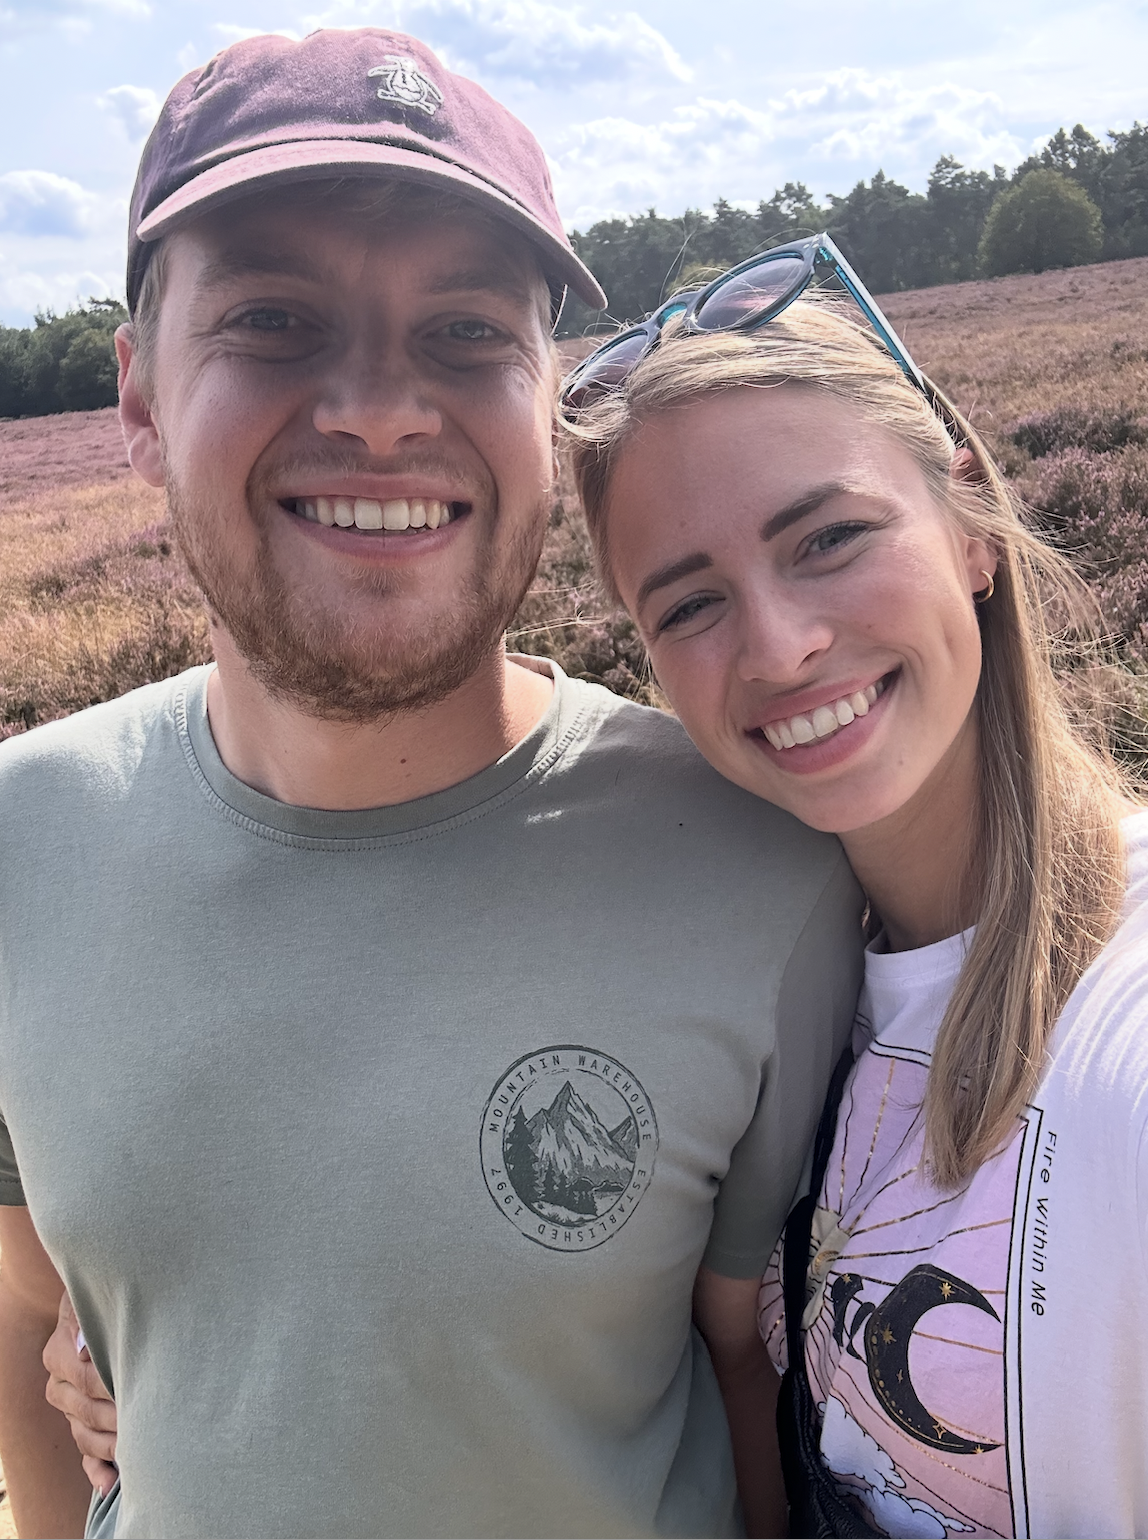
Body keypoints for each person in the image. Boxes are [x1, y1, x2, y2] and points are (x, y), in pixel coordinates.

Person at [0, 30, 864, 1540]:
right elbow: (31, 1318)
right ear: (136, 397)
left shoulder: (758, 874)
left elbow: (755, 1391)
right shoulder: (18, 847)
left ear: (550, 401)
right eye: (272, 318)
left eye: (469, 333)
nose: (385, 410)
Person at [558, 245, 1148, 1538]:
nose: (778, 646)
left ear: (972, 520)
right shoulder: (769, 996)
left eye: (828, 537)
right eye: (691, 603)